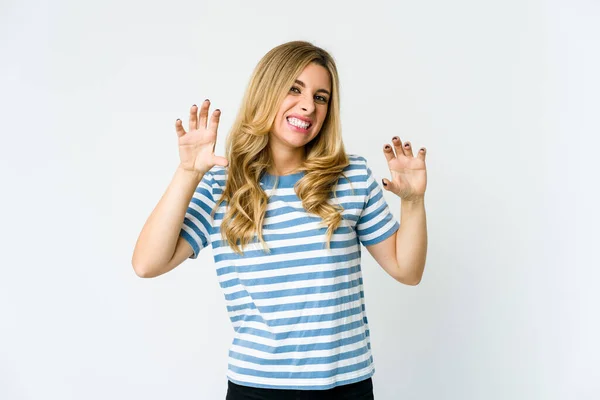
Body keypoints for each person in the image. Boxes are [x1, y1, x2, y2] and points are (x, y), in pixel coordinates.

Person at [132, 40, 428, 400]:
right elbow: (147, 264)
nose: (308, 105)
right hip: (257, 390)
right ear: (266, 92)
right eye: (294, 88)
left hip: (346, 387)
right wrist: (187, 173)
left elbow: (407, 271)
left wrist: (413, 203)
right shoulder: (221, 186)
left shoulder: (351, 177)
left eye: (321, 97)